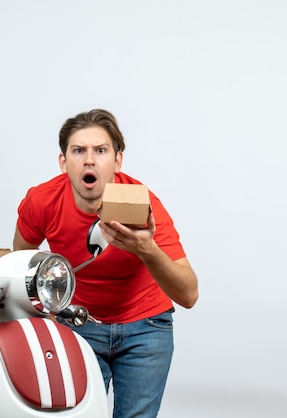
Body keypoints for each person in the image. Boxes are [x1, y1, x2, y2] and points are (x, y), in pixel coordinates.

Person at [13, 108, 199, 418]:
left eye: (100, 150)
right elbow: (19, 262)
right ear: (63, 162)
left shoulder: (145, 206)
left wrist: (146, 248)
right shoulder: (42, 201)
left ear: (117, 161)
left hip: (146, 328)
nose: (89, 160)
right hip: (78, 324)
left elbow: (189, 294)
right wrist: (48, 306)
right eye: (78, 151)